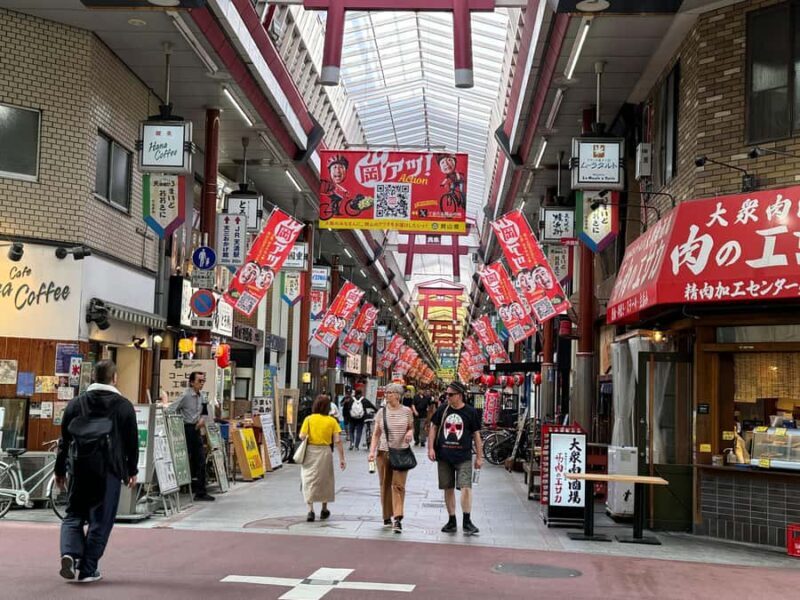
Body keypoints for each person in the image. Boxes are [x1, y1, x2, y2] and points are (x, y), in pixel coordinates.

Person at [55, 360, 138, 583]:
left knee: (73, 515)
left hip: (79, 468)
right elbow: (132, 442)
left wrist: (60, 470)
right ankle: (88, 569)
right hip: (109, 471)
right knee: (100, 520)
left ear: (93, 377)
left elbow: (64, 441)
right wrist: (132, 469)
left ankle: (69, 554)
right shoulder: (124, 406)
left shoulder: (75, 404)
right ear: (115, 378)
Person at [428, 381, 483, 536]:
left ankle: (467, 521)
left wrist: (480, 457)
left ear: (460, 395)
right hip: (444, 456)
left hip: (463, 456)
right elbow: (433, 427)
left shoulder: (470, 412)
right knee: (448, 487)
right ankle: (452, 520)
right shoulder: (442, 410)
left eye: (450, 395)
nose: (448, 397)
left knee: (466, 487)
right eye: (447, 394)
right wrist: (431, 448)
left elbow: (477, 436)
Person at [368, 383, 414, 534]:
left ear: (397, 395)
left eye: (389, 392)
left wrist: (410, 433)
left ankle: (398, 518)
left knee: (398, 486)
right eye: (386, 392)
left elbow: (411, 427)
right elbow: (376, 434)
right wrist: (372, 451)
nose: (386, 395)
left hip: (401, 452)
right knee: (385, 484)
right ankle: (387, 515)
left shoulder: (407, 411)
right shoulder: (381, 412)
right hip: (383, 452)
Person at [168, 371, 214, 502]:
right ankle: (175, 489)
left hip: (196, 429)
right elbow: (171, 409)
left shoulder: (203, 396)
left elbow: (205, 411)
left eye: (203, 381)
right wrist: (177, 422)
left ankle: (201, 491)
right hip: (186, 429)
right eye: (199, 381)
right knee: (181, 459)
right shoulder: (185, 395)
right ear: (192, 382)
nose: (202, 383)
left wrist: (202, 420)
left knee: (200, 460)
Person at [299, 395, 346, 522]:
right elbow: (337, 441)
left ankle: (310, 510)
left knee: (308, 478)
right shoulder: (332, 421)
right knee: (326, 480)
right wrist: (342, 459)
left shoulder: (308, 419)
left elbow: (302, 436)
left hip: (310, 452)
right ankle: (324, 509)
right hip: (325, 452)